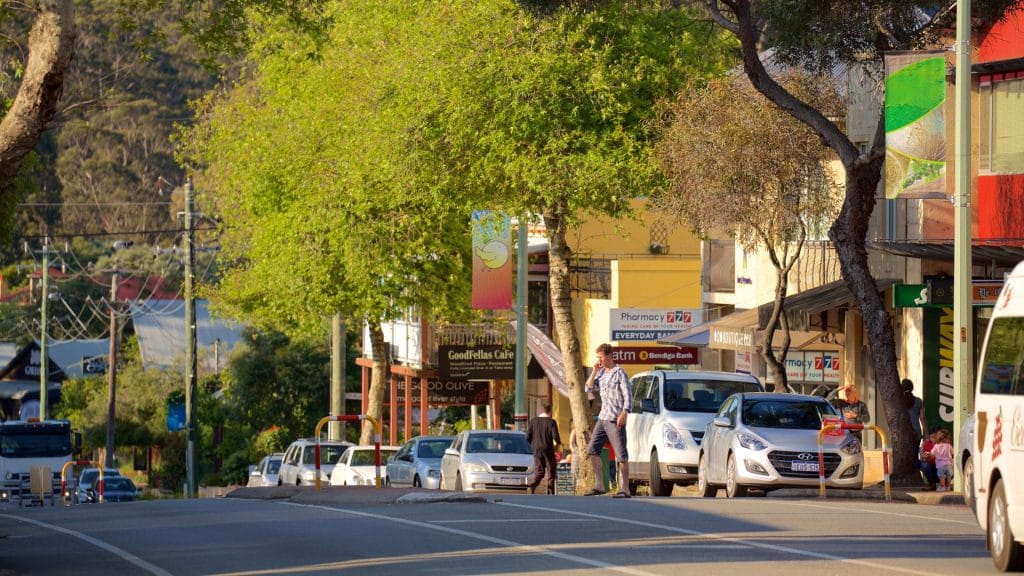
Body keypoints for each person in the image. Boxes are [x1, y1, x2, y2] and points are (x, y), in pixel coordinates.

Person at [583, 343, 632, 498]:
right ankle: (599, 485)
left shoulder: (620, 372)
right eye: (598, 357)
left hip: (615, 419)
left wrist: (624, 413)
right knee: (592, 450)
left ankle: (625, 489)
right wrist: (594, 372)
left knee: (621, 455)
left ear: (610, 356)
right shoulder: (601, 373)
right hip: (602, 418)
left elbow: (628, 395)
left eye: (601, 357)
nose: (599, 360)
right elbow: (588, 388)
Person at [526, 401, 561, 495]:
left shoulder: (533, 421)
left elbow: (527, 437)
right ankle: (550, 491)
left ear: (541, 410)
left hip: (536, 449)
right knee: (551, 470)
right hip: (548, 449)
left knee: (539, 471)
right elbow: (555, 436)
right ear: (550, 410)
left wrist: (534, 445)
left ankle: (532, 485)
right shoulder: (551, 422)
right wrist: (559, 444)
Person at [901, 378, 926, 443]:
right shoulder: (918, 401)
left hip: (902, 432)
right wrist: (926, 433)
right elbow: (922, 418)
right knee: (915, 453)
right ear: (912, 388)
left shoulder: (899, 402)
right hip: (916, 432)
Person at [919, 426, 941, 491]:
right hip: (932, 468)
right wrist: (925, 457)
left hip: (941, 467)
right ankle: (932, 484)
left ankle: (944, 484)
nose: (934, 439)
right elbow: (923, 457)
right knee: (925, 465)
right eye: (932, 437)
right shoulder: (926, 444)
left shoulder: (944, 444)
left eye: (936, 437)